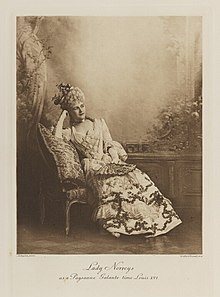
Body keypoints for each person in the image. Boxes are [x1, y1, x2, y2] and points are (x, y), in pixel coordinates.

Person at [52, 83, 182, 238]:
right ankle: (116, 223)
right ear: (69, 111)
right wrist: (62, 116)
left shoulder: (98, 123)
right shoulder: (70, 133)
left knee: (135, 179)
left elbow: (109, 144)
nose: (81, 110)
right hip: (92, 166)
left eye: (82, 106)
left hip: (109, 160)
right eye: (76, 108)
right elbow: (56, 140)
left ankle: (146, 220)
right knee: (111, 186)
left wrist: (113, 157)